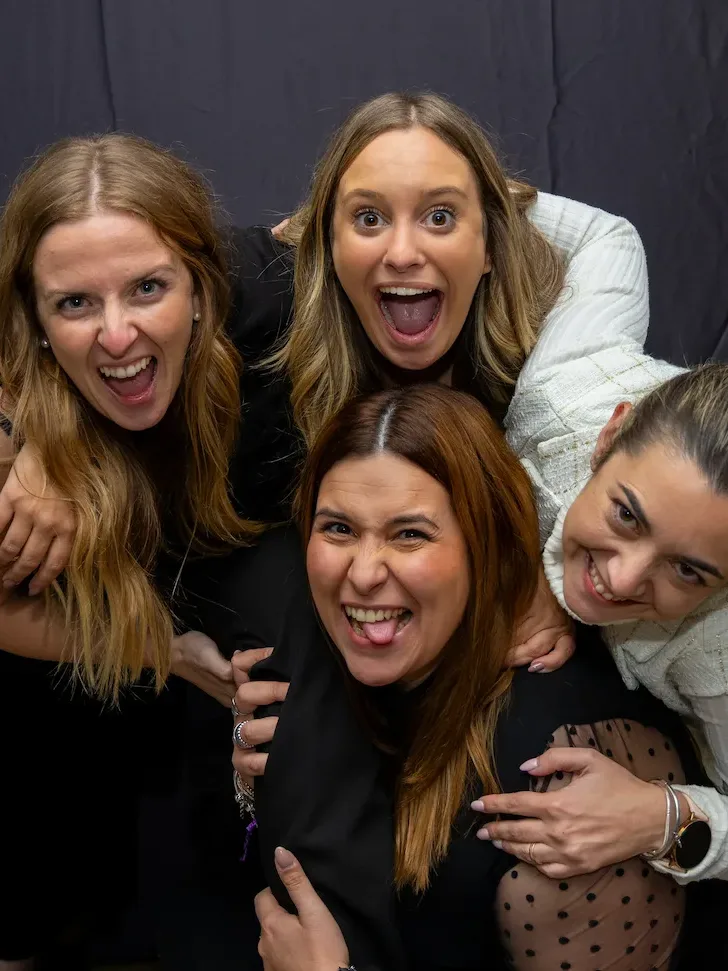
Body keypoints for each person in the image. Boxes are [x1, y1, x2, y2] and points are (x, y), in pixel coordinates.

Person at [0, 91, 648, 967]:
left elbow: (581, 236)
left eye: (148, 288)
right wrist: (31, 441)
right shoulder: (27, 442)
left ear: (201, 284)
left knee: (303, 608)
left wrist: (538, 566)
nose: (119, 331)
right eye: (74, 304)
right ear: (34, 322)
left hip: (270, 611)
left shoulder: (266, 308)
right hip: (112, 656)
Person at [248, 384, 704, 971]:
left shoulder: (563, 782)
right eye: (338, 529)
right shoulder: (319, 648)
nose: (362, 573)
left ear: (484, 546)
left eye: (409, 534)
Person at [470, 354, 728, 886]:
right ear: (607, 437)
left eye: (686, 570)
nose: (624, 580)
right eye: (627, 515)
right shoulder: (562, 392)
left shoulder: (716, 654)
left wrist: (658, 820)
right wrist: (552, 575)